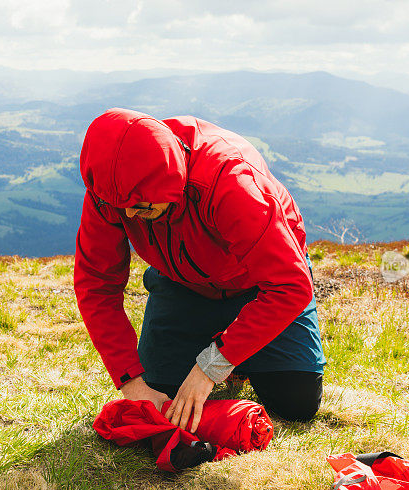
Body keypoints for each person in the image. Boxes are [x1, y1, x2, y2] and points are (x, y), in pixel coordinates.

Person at [73, 108, 326, 433]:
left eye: (142, 207)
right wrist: (131, 384)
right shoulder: (112, 193)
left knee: (296, 403)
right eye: (122, 208)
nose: (131, 216)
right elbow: (96, 285)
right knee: (160, 392)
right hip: (183, 284)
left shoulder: (231, 181)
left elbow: (289, 285)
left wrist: (210, 367)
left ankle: (239, 355)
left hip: (259, 283)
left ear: (166, 182)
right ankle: (229, 349)